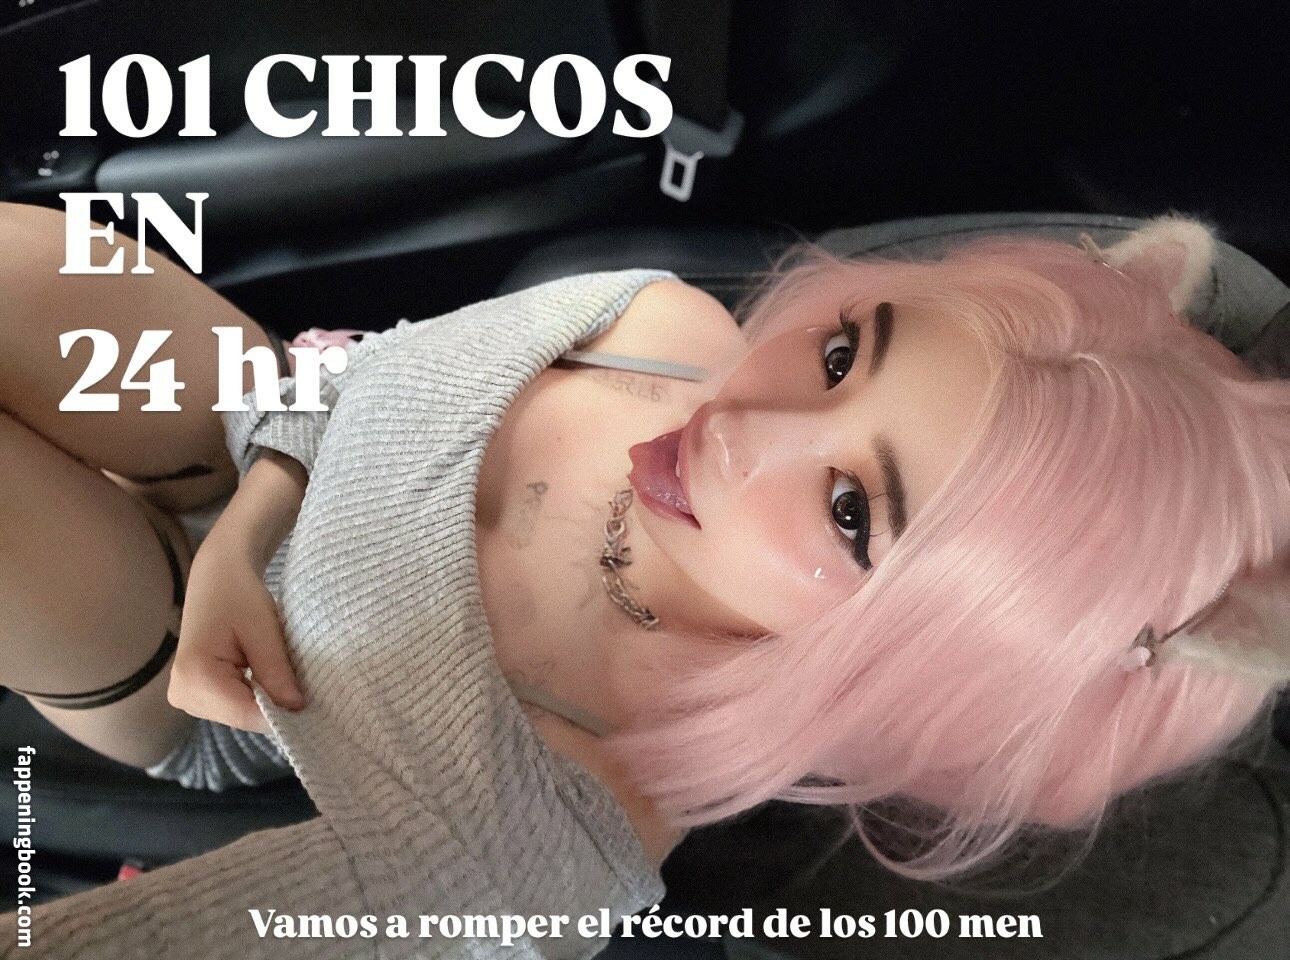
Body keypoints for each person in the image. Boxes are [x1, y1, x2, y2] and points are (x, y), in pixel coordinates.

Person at [1, 201, 1288, 958]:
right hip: (266, 421)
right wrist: (247, 529)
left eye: (851, 511)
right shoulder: (664, 332)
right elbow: (368, 371)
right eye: (842, 355)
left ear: (911, 658)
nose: (744, 428)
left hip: (193, 685)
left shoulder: (563, 833)